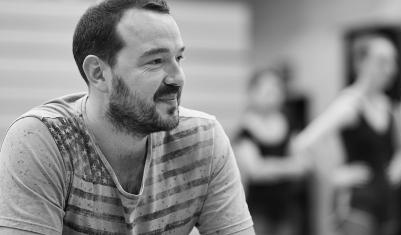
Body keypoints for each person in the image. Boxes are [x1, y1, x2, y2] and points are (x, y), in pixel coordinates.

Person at [0, 0, 254, 234]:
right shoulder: (44, 139)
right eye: (155, 61)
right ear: (98, 73)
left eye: (178, 58)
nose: (178, 77)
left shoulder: (203, 140)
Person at [294, 34, 401, 235]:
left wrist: (400, 164)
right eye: (382, 61)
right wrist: (334, 176)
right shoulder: (350, 104)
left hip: (387, 205)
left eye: (393, 61)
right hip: (356, 206)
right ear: (361, 63)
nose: (390, 69)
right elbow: (304, 143)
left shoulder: (389, 106)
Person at [233, 66, 307, 235]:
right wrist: (288, 166)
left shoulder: (289, 124)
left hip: (287, 208)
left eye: (276, 89)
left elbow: (303, 166)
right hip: (258, 211)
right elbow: (256, 171)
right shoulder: (245, 130)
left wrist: (271, 167)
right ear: (253, 93)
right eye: (266, 90)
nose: (271, 95)